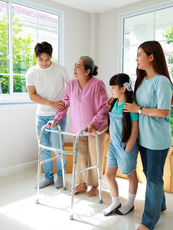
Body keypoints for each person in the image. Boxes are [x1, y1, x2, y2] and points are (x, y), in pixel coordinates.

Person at [123, 41, 173, 230]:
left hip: (157, 140)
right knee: (151, 175)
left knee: (153, 178)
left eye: (139, 54)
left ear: (151, 57)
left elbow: (163, 111)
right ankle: (160, 205)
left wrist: (140, 109)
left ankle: (148, 222)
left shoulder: (162, 81)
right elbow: (134, 104)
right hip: (144, 138)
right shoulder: (142, 80)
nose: (136, 59)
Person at [48, 56, 109, 197]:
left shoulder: (98, 84)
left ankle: (95, 185)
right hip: (78, 129)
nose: (74, 69)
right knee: (80, 156)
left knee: (95, 157)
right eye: (75, 66)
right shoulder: (71, 85)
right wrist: (56, 118)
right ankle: (82, 184)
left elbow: (104, 108)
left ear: (87, 71)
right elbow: (65, 103)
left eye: (78, 67)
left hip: (95, 129)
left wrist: (94, 124)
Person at [26, 41, 72, 189]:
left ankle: (61, 175)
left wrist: (67, 103)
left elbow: (72, 88)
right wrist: (50, 103)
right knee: (44, 147)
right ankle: (48, 177)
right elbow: (32, 95)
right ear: (36, 57)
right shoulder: (32, 72)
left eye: (48, 59)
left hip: (57, 116)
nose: (45, 63)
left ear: (51, 57)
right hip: (41, 115)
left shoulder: (60, 69)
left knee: (58, 147)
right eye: (41, 59)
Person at [97, 73, 139, 216]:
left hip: (126, 146)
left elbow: (134, 131)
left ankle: (130, 203)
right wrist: (99, 131)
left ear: (123, 89)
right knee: (108, 175)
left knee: (131, 175)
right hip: (113, 146)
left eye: (113, 88)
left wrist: (128, 150)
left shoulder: (129, 106)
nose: (111, 91)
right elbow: (110, 125)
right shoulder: (114, 103)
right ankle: (116, 202)